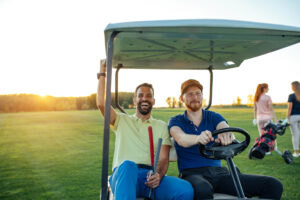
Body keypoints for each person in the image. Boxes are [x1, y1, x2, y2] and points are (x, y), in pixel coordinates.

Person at [168, 79, 283, 200]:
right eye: (190, 94)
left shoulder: (213, 116)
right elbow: (181, 138)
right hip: (192, 174)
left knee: (273, 185)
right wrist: (198, 138)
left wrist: (227, 134)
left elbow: (224, 127)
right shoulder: (176, 120)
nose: (194, 97)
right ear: (182, 98)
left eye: (197, 93)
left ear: (202, 96)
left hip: (220, 173)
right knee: (203, 189)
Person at [97, 59, 193, 200]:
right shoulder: (122, 120)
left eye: (149, 96)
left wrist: (158, 175)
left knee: (186, 189)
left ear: (154, 100)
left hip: (149, 176)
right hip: (125, 176)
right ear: (135, 100)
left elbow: (163, 159)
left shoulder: (160, 126)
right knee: (128, 166)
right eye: (140, 95)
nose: (144, 98)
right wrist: (102, 73)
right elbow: (101, 103)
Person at [287, 81, 300, 158]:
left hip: (293, 117)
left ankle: (296, 153)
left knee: (295, 135)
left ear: (293, 87)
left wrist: (287, 118)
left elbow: (289, 108)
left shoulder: (291, 96)